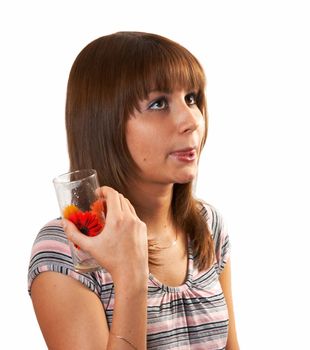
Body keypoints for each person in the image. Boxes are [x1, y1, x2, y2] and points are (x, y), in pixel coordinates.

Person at [28, 31, 240, 350]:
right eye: (158, 103)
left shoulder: (207, 224)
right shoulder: (66, 249)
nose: (191, 120)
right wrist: (130, 277)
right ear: (105, 123)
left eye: (192, 98)